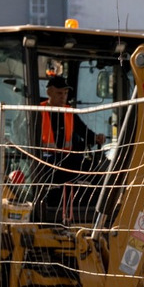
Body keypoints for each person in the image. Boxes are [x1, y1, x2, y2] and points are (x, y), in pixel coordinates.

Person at [39, 75, 105, 221]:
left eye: (65, 93)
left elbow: (83, 131)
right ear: (49, 92)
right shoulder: (38, 110)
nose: (63, 97)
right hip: (45, 160)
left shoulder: (69, 112)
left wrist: (95, 138)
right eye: (59, 93)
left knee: (96, 170)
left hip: (67, 159)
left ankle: (93, 211)